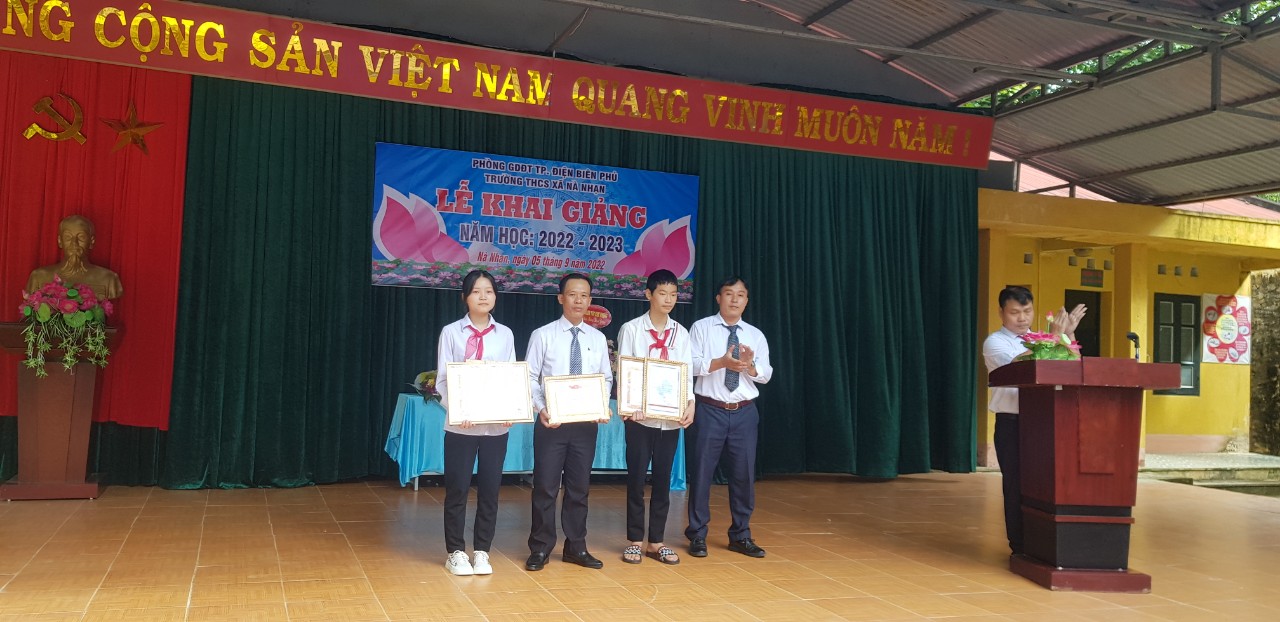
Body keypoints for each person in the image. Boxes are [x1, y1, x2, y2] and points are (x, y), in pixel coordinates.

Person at [983, 286, 1086, 556]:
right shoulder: (995, 342)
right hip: (1013, 424)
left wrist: (1067, 335)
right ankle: (1019, 546)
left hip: (1045, 423)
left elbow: (1074, 368)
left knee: (1045, 483)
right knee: (1016, 485)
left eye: (1027, 311)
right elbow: (1022, 369)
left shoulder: (1041, 338)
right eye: (1014, 312)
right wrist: (1054, 337)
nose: (1022, 318)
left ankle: (1043, 543)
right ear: (1001, 313)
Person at [524, 273, 614, 571]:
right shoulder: (543, 335)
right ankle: (540, 547)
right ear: (560, 298)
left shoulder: (597, 339)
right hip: (552, 423)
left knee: (579, 488)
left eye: (584, 295)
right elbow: (530, 377)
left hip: (585, 424)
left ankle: (576, 546)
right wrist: (541, 408)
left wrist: (601, 403)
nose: (578, 300)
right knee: (545, 487)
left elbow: (606, 378)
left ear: (590, 301)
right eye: (573, 294)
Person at [434, 269, 517, 576]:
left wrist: (511, 408)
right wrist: (459, 410)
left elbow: (510, 377)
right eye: (476, 291)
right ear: (465, 297)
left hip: (496, 428)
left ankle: (482, 550)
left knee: (490, 490)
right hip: (462, 426)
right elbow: (443, 380)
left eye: (489, 291)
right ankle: (455, 551)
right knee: (457, 488)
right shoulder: (451, 332)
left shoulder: (505, 334)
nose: (483, 296)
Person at [685, 276, 772, 559]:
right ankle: (697, 534)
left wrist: (750, 366)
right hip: (709, 410)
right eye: (729, 293)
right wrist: (721, 362)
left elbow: (766, 374)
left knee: (743, 475)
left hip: (744, 411)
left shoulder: (755, 335)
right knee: (702, 473)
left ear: (746, 301)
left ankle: (741, 535)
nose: (734, 299)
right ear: (718, 298)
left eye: (740, 295)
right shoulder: (701, 328)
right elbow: (690, 365)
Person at [616, 270, 695, 565]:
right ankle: (635, 540)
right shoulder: (632, 329)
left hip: (670, 419)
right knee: (636, 478)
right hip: (640, 418)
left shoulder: (681, 333)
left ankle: (656, 541)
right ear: (649, 295)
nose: (668, 300)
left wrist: (690, 403)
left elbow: (686, 373)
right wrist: (629, 405)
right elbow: (625, 370)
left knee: (663, 479)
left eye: (673, 294)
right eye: (662, 293)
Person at [26, 214, 123, 300]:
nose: (74, 243)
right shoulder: (38, 277)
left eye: (81, 237)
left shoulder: (109, 279)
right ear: (60, 241)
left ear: (91, 242)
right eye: (68, 237)